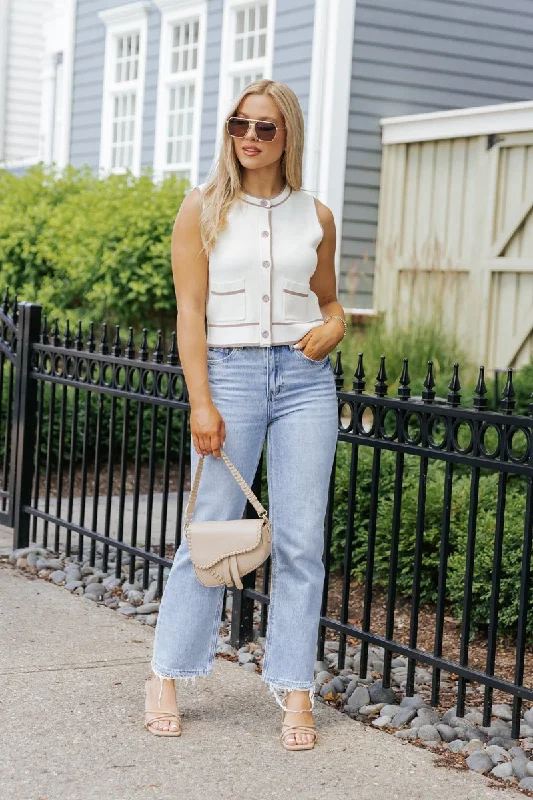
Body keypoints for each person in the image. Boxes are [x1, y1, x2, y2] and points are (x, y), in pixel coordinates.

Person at [144, 79, 346, 750]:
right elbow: (190, 314)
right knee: (207, 530)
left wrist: (336, 325)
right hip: (228, 376)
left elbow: (329, 300)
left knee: (300, 541)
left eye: (264, 128)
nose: (250, 139)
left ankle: (293, 687)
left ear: (287, 134)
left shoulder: (315, 215)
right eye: (239, 125)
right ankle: (167, 674)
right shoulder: (201, 208)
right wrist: (200, 400)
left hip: (304, 381)